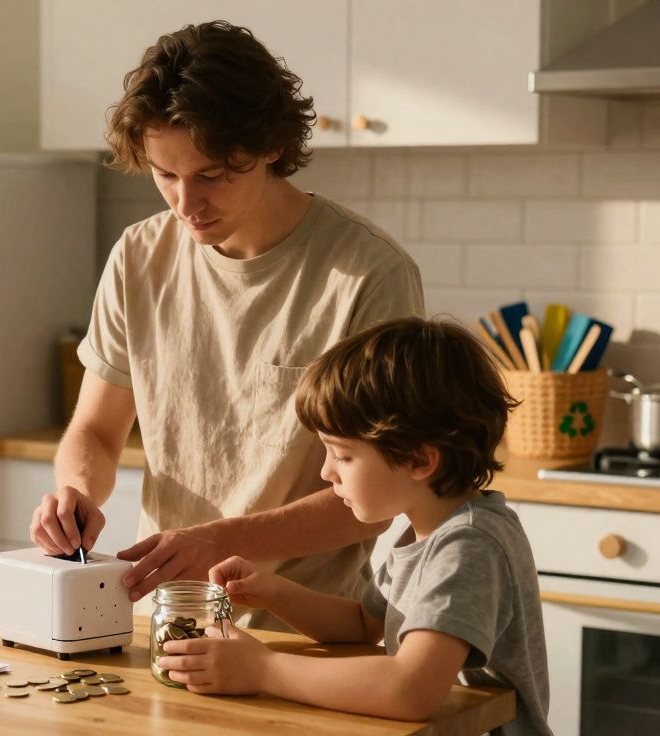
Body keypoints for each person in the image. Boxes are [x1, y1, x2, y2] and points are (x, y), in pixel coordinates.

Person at [29, 20, 424, 624]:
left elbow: (374, 496)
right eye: (165, 175)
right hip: (165, 623)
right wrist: (76, 491)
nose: (186, 203)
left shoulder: (368, 273)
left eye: (210, 175)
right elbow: (97, 431)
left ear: (269, 146)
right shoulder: (139, 258)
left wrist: (219, 539)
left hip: (309, 634)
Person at [156, 317, 550, 735]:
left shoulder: (468, 546)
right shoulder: (428, 530)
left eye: (342, 454)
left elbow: (412, 690)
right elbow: (364, 624)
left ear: (418, 460)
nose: (327, 472)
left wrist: (263, 669)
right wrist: (275, 593)